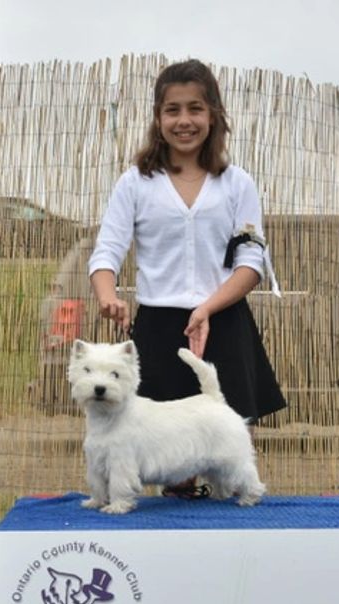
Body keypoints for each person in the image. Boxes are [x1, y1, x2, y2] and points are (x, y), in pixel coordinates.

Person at [88, 59, 287, 498]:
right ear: (158, 118)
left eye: (195, 109)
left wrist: (208, 307)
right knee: (171, 470)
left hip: (224, 323)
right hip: (158, 330)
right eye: (172, 110)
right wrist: (107, 295)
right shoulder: (135, 183)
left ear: (213, 114)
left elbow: (251, 261)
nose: (184, 121)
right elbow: (106, 252)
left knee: (228, 453)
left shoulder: (237, 184)